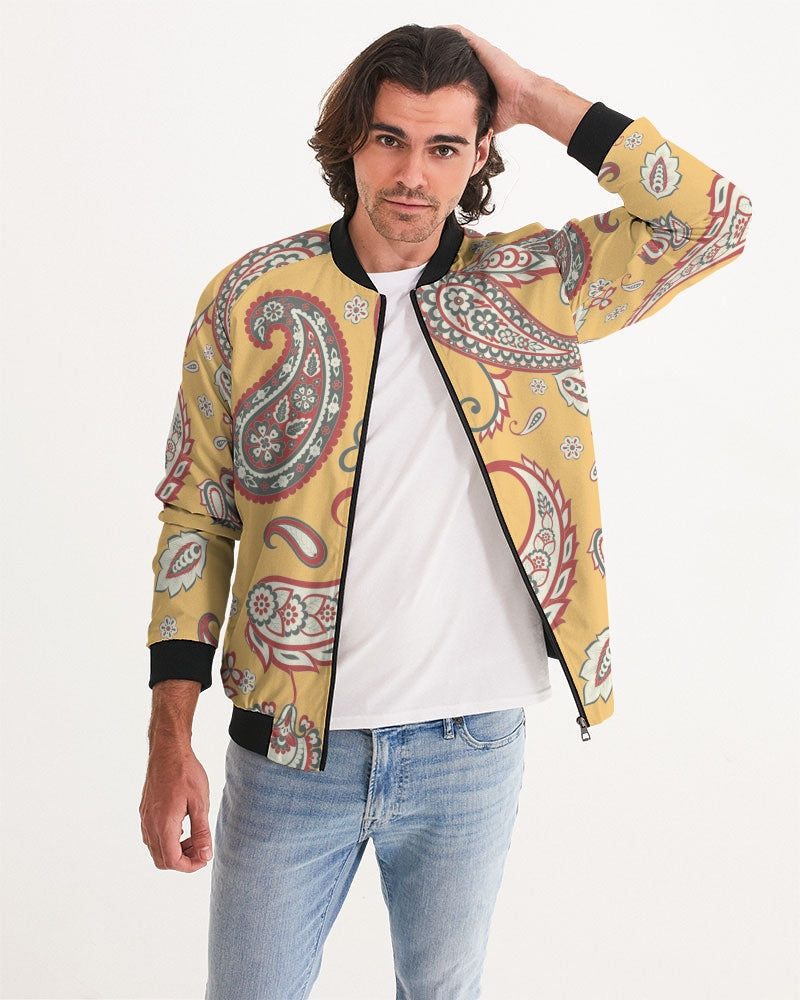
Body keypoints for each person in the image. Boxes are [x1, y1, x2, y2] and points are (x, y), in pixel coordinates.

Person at [139, 23, 750, 1000]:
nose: (413, 175)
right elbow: (195, 520)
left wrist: (536, 97)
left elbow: (712, 219)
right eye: (390, 139)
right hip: (287, 748)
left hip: (468, 748)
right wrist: (169, 738)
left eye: (444, 146)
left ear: (479, 154)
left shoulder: (531, 285)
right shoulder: (250, 298)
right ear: (351, 139)